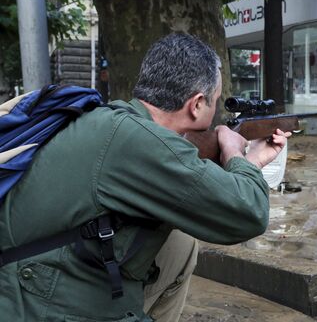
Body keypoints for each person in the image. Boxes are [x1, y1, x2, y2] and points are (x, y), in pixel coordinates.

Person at [0, 33, 290, 321]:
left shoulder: (113, 120)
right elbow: (248, 213)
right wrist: (242, 156)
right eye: (215, 101)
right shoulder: (138, 142)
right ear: (197, 104)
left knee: (179, 247)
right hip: (31, 299)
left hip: (34, 272)